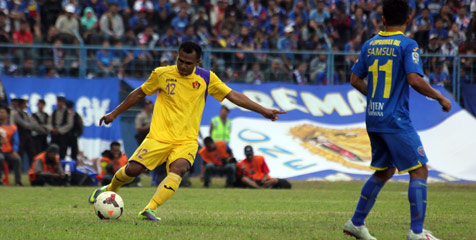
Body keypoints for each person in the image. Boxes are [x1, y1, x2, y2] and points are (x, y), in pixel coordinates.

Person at [88, 41, 285, 221]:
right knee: (133, 170)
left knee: (179, 169)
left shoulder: (207, 78)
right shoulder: (162, 74)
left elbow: (232, 95)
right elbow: (139, 93)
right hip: (158, 137)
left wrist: (264, 111)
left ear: (198, 61)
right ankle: (110, 188)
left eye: (188, 63)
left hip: (186, 140)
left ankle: (150, 208)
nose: (183, 65)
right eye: (180, 60)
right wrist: (114, 114)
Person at [342, 1, 452, 240]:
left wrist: (377, 95)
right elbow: (414, 79)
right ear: (409, 19)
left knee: (384, 170)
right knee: (419, 169)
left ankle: (356, 223)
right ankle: (416, 232)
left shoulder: (369, 44)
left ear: (382, 20)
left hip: (374, 117)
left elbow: (354, 80)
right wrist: (440, 97)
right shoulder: (407, 45)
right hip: (395, 119)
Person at [0, 105, 23, 186]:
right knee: (0, 158)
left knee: (17, 159)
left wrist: (15, 150)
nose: (0, 114)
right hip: (0, 151)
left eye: (2, 112)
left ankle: (18, 182)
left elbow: (15, 141)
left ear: (8, 115)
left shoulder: (13, 127)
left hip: (9, 151)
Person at [49, 96, 74, 160]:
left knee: (62, 153)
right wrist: (52, 129)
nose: (58, 103)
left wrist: (59, 130)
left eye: (60, 102)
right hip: (54, 135)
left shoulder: (68, 112)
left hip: (63, 136)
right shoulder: (54, 112)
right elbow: (49, 122)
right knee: (51, 152)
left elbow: (69, 124)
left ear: (63, 103)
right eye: (57, 102)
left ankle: (61, 168)